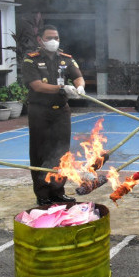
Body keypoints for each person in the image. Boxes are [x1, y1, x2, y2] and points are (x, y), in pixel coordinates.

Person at [23, 24, 85, 205]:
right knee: (40, 152)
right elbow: (37, 85)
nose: (53, 41)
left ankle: (58, 191)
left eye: (56, 38)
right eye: (49, 38)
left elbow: (77, 75)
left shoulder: (66, 58)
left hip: (61, 113)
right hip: (39, 112)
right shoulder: (30, 60)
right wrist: (62, 88)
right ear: (40, 40)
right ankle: (42, 194)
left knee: (61, 152)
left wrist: (79, 86)